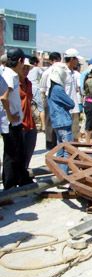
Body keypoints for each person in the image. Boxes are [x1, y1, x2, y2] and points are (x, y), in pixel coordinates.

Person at [0, 48, 32, 189]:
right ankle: (10, 186)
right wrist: (10, 115)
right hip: (11, 122)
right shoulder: (11, 76)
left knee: (16, 152)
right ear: (20, 61)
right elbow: (4, 98)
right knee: (12, 155)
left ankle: (21, 179)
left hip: (9, 122)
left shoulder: (4, 72)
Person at [47, 62, 75, 174]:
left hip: (57, 121)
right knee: (67, 149)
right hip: (63, 121)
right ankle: (63, 174)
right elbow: (71, 103)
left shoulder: (52, 88)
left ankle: (58, 173)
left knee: (60, 149)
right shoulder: (58, 89)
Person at [39, 51, 62, 149]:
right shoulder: (49, 72)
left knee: (51, 122)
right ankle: (52, 143)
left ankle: (52, 143)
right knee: (52, 121)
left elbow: (42, 88)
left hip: (51, 98)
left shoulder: (47, 72)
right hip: (53, 98)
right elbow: (43, 88)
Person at [20, 58, 37, 169]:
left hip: (29, 120)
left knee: (29, 148)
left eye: (27, 68)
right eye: (24, 68)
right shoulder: (13, 83)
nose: (26, 70)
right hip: (18, 121)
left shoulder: (29, 83)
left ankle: (24, 171)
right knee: (18, 152)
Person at [64, 48, 81, 141]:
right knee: (67, 136)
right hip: (66, 109)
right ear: (71, 59)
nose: (77, 62)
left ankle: (75, 153)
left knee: (75, 135)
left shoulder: (73, 73)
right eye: (76, 59)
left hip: (74, 108)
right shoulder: (63, 72)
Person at [27, 56, 44, 131]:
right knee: (41, 108)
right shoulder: (37, 68)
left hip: (27, 87)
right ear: (35, 63)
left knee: (28, 107)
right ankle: (43, 126)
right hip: (35, 88)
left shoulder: (27, 68)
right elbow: (43, 75)